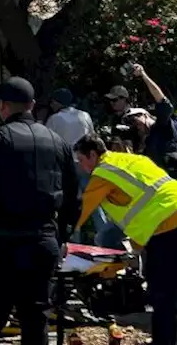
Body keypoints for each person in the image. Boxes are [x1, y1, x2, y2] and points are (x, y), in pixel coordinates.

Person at [0, 77, 81, 345]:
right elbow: (73, 197)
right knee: (35, 319)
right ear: (31, 105)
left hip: (0, 244)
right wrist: (64, 236)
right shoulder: (58, 143)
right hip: (42, 242)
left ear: (2, 106)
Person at [73, 135, 177, 345]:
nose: (81, 165)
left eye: (81, 159)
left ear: (93, 154)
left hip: (166, 224)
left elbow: (79, 213)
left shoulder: (102, 174)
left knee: (163, 293)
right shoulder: (129, 159)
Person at [48, 88, 120, 248]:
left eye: (53, 101)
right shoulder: (84, 116)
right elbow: (92, 136)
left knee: (71, 203)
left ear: (59, 102)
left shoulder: (54, 119)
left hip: (67, 165)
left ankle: (74, 238)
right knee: (94, 201)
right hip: (87, 162)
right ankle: (105, 235)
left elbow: (49, 141)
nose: (51, 104)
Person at [123, 65, 177, 189]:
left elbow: (162, 100)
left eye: (135, 119)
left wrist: (144, 76)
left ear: (145, 115)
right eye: (131, 123)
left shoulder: (163, 125)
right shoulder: (146, 144)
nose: (135, 124)